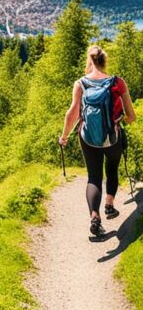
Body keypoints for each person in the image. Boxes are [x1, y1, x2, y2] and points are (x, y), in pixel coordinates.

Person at [59, 45, 137, 237]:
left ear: (90, 61)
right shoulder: (118, 82)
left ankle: (95, 216)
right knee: (111, 169)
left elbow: (73, 113)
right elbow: (131, 116)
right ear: (104, 61)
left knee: (94, 176)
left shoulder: (81, 83)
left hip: (87, 138)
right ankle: (109, 204)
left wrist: (64, 136)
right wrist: (120, 121)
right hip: (112, 137)